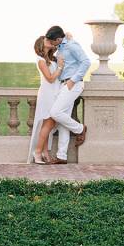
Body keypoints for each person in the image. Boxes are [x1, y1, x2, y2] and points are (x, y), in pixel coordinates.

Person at [44, 25, 89, 164]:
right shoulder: (62, 47)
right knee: (63, 120)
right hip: (64, 84)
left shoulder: (71, 46)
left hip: (73, 84)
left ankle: (80, 129)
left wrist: (73, 80)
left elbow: (86, 62)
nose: (51, 44)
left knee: (55, 112)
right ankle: (62, 156)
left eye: (53, 42)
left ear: (58, 39)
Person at [28, 36, 63, 164]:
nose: (49, 40)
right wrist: (59, 67)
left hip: (55, 93)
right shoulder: (40, 60)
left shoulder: (52, 58)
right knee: (48, 123)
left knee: (49, 124)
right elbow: (50, 78)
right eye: (46, 39)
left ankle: (45, 152)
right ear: (40, 44)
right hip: (47, 94)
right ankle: (37, 152)